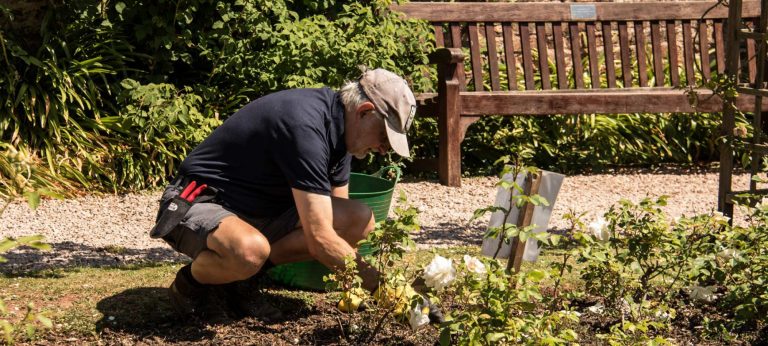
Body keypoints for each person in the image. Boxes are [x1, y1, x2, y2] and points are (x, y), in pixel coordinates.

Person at [150, 68, 428, 322]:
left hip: (260, 211)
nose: (382, 149)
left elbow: (336, 219)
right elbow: (320, 239)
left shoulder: (341, 130)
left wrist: (351, 286)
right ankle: (189, 285)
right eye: (383, 135)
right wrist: (389, 291)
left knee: (358, 219)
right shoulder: (305, 127)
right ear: (365, 111)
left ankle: (241, 282)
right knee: (250, 251)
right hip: (200, 201)